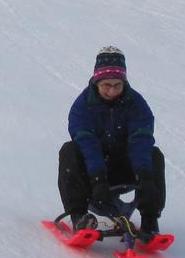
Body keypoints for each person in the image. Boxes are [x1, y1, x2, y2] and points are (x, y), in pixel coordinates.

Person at [58, 46, 166, 238]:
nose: (112, 91)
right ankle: (79, 217)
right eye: (106, 85)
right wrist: (98, 179)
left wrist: (145, 177)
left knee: (154, 155)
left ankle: (150, 220)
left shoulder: (136, 104)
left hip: (124, 167)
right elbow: (87, 144)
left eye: (117, 85)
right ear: (96, 82)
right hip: (93, 171)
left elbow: (141, 139)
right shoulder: (82, 107)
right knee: (69, 150)